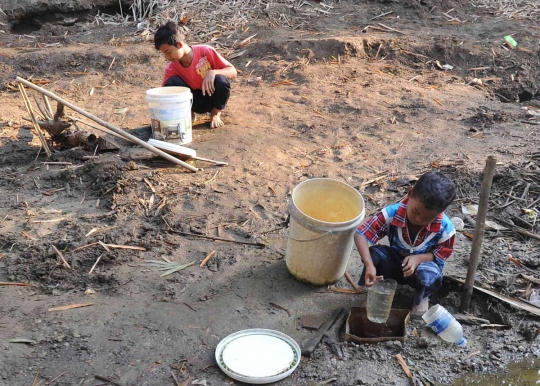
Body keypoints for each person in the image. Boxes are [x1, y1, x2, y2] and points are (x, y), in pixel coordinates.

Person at [354, 171, 456, 316]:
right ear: (410, 194)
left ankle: (422, 295)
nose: (419, 219)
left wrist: (419, 258)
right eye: (415, 212)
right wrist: (369, 264)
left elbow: (441, 255)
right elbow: (361, 234)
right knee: (375, 255)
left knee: (430, 274)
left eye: (428, 218)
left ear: (440, 213)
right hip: (396, 264)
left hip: (422, 268)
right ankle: (377, 290)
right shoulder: (392, 214)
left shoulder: (445, 229)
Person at [154, 21, 237, 129]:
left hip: (210, 97)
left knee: (221, 80)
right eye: (164, 53)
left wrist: (213, 72)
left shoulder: (205, 51)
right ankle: (189, 113)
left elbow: (233, 71)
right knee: (171, 83)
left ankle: (215, 113)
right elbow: (164, 93)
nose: (167, 57)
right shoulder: (171, 68)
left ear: (179, 44)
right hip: (192, 102)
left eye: (168, 52)